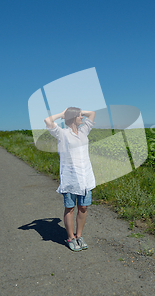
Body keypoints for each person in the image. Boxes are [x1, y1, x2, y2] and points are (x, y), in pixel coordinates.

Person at [44, 107, 96, 251]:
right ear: (73, 118)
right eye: (79, 116)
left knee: (83, 207)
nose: (82, 118)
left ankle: (79, 236)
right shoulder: (62, 133)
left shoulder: (84, 131)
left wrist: (79, 110)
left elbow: (92, 113)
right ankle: (70, 238)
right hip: (70, 178)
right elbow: (48, 120)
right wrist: (63, 114)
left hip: (86, 177)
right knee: (70, 208)